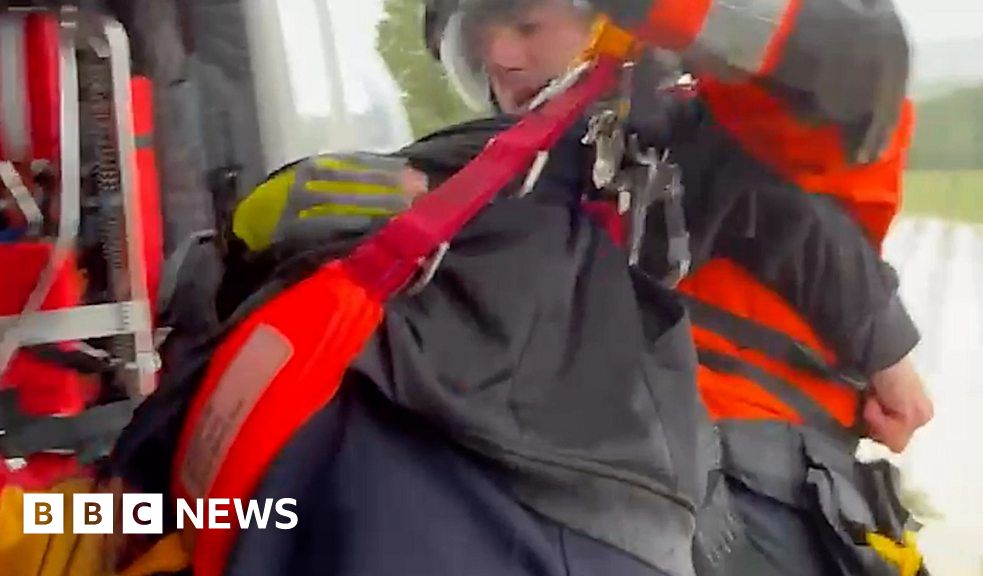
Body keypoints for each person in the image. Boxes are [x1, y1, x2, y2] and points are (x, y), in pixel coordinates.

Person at [100, 2, 930, 576]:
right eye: (478, 44)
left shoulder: (736, 128)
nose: (502, 58)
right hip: (532, 513)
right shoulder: (477, 175)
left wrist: (882, 342)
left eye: (528, 21)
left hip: (743, 525)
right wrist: (244, 244)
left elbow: (842, 72)